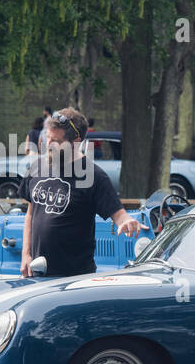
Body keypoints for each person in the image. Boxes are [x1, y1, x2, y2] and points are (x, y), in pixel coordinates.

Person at [18, 107, 141, 277]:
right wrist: (26, 254)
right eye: (47, 138)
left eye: (56, 141)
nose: (49, 145)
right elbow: (31, 215)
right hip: (36, 272)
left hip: (74, 279)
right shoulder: (36, 168)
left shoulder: (93, 176)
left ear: (75, 141)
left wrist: (127, 221)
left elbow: (119, 214)